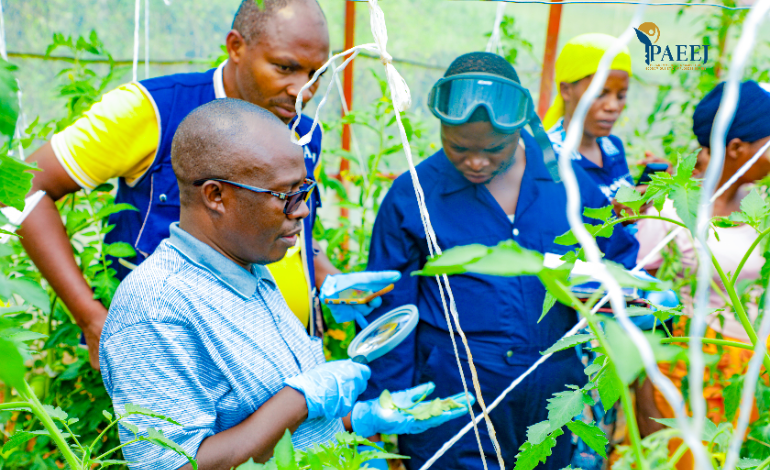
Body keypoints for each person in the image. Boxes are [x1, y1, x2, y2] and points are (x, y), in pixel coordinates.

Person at [18, 0, 397, 370]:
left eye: (316, 73)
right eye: (285, 68)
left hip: (275, 366)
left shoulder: (301, 131)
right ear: (236, 46)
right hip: (174, 366)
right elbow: (26, 187)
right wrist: (90, 318)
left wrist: (325, 277)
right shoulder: (154, 111)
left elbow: (288, 227)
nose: (304, 91)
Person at [100, 99, 472, 470]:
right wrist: (299, 400)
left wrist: (359, 418)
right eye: (285, 196)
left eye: (304, 190)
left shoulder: (252, 270)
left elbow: (271, 425)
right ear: (216, 196)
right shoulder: (156, 308)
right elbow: (173, 467)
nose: (302, 210)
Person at [361, 52, 641, 470]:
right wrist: (384, 407)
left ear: (520, 130)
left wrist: (631, 303)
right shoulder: (413, 195)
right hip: (453, 402)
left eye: (494, 149)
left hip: (550, 401)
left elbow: (615, 257)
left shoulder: (566, 184)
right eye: (459, 148)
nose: (476, 162)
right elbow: (390, 308)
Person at [634, 81, 770, 459]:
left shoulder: (759, 202)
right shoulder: (673, 210)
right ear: (737, 148)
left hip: (757, 374)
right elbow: (634, 302)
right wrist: (645, 398)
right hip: (695, 369)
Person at [544, 34, 636, 218]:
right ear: (566, 90)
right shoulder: (549, 156)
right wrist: (611, 217)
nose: (612, 107)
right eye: (600, 94)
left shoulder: (612, 147)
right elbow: (554, 227)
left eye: (621, 96)